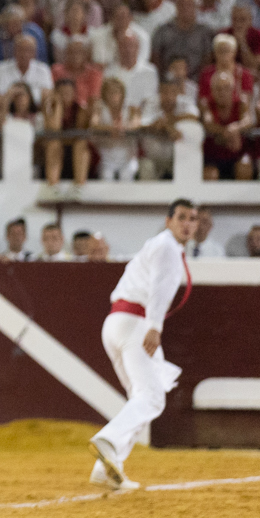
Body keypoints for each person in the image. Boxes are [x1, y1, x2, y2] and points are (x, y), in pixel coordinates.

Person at [89, 199, 198, 490]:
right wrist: (154, 327)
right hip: (136, 324)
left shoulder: (160, 245)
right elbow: (160, 288)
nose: (187, 223)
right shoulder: (166, 247)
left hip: (116, 322)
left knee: (142, 396)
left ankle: (107, 467)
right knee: (151, 398)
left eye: (193, 219)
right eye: (182, 217)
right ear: (169, 220)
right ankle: (109, 440)